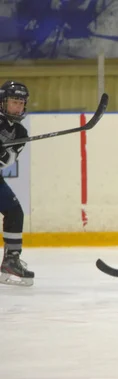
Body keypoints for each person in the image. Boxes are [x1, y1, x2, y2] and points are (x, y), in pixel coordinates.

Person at [0, 81, 34, 287]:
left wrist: (3, 153)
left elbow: (7, 162)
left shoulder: (20, 133)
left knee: (14, 211)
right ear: (3, 103)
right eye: (14, 102)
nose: (18, 107)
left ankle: (11, 261)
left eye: (21, 103)